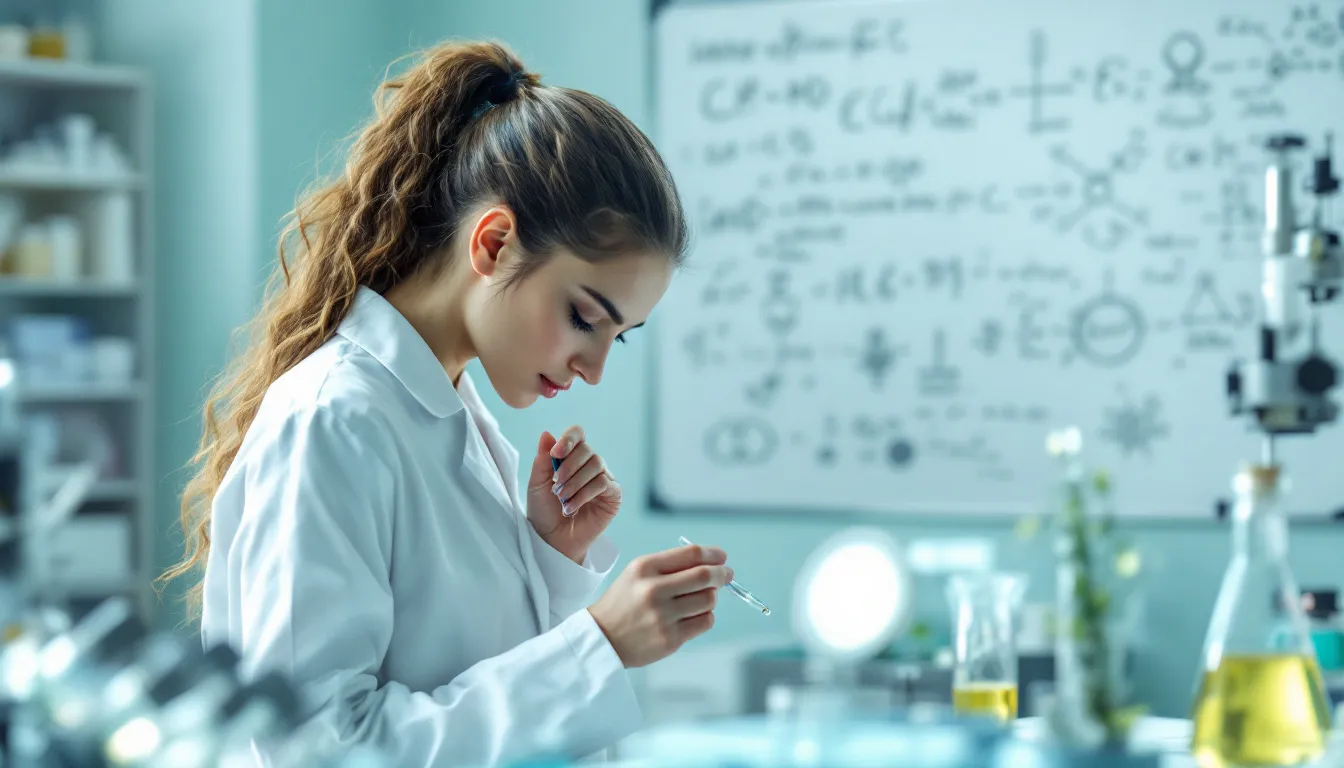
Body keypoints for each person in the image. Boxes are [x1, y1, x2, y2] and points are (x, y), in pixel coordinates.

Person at [159, 40, 734, 766]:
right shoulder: (334, 419)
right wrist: (600, 645)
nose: (592, 369)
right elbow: (320, 750)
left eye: (617, 338)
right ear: (493, 244)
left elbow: (469, 681)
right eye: (586, 317)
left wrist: (550, 558)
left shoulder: (453, 409)